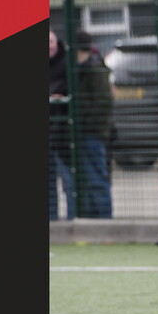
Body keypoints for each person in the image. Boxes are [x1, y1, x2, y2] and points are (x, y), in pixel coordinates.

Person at [71, 30, 114, 218]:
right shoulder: (81, 68)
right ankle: (90, 219)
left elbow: (102, 103)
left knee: (96, 179)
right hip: (84, 132)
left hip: (92, 133)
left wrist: (82, 120)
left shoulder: (94, 69)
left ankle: (103, 221)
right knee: (86, 181)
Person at [49, 29, 74, 220]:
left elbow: (71, 89)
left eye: (51, 41)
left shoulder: (67, 62)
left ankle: (73, 218)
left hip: (64, 133)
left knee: (69, 180)